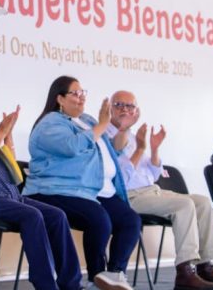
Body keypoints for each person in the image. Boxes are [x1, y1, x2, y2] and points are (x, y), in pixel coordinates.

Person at [105, 90, 213, 290]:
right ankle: (185, 271)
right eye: (119, 105)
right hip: (129, 197)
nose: (125, 109)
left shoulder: (133, 136)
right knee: (184, 204)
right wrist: (141, 148)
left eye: (130, 106)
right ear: (109, 108)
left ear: (136, 110)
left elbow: (153, 172)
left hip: (151, 190)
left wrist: (154, 148)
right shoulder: (105, 134)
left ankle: (205, 267)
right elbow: (120, 178)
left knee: (201, 202)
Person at [24, 76, 140, 290]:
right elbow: (71, 146)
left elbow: (113, 149)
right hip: (56, 189)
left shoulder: (87, 120)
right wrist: (104, 124)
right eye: (75, 93)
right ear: (59, 98)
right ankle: (96, 278)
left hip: (91, 191)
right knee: (100, 220)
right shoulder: (50, 122)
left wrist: (123, 128)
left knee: (130, 221)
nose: (81, 98)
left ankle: (113, 276)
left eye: (82, 93)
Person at [0, 105, 83, 290]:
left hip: (13, 195)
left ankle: (71, 284)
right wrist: (0, 134)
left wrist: (7, 134)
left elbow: (12, 166)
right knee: (32, 215)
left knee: (57, 216)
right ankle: (46, 285)